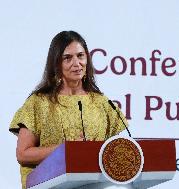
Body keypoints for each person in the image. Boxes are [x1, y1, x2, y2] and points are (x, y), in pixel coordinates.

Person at [9, 31, 128, 189]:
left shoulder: (102, 103)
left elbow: (113, 152)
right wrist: (65, 150)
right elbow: (23, 154)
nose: (76, 63)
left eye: (80, 56)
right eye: (68, 58)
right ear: (56, 63)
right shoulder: (38, 102)